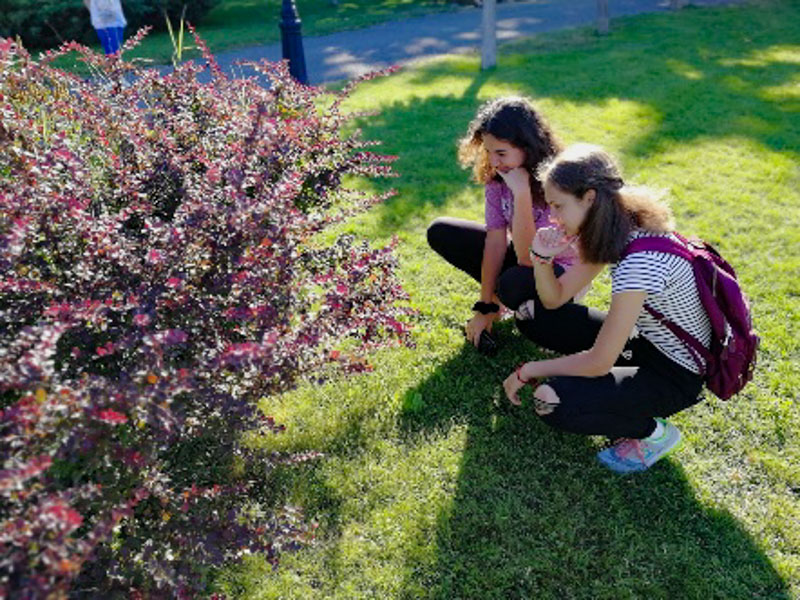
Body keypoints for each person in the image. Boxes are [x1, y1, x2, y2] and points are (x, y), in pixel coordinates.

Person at [502, 143, 711, 474]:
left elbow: (600, 362)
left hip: (675, 375)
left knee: (548, 399)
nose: (554, 217)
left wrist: (528, 370)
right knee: (533, 315)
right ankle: (603, 391)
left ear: (589, 198)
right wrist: (542, 259)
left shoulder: (638, 260)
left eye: (558, 206)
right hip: (644, 346)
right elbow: (554, 300)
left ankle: (655, 435)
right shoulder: (617, 229)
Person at [427, 96, 579, 353]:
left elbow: (528, 259)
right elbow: (496, 242)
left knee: (513, 282)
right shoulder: (498, 179)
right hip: (525, 260)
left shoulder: (559, 184)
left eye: (501, 153)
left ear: (528, 147)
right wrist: (486, 306)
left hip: (558, 272)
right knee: (442, 231)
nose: (495, 162)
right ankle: (503, 304)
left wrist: (521, 194)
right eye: (488, 152)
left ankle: (549, 312)